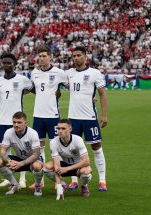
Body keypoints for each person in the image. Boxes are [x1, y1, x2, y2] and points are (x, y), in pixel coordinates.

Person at [65, 46, 108, 192]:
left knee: (96, 147)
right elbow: (58, 84)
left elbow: (102, 94)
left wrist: (104, 115)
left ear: (85, 57)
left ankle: (102, 180)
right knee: (72, 149)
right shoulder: (68, 73)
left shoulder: (94, 73)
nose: (76, 58)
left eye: (78, 55)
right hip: (73, 118)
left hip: (89, 118)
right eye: (74, 56)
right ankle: (74, 180)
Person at [0, 53, 33, 189]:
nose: (6, 65)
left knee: (22, 150)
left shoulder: (23, 79)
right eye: (4, 63)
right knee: (5, 152)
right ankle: (10, 179)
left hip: (18, 121)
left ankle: (23, 179)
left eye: (9, 63)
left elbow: (31, 90)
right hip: (3, 121)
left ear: (14, 64)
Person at [28, 45, 68, 189]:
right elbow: (35, 89)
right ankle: (41, 179)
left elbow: (70, 86)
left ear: (51, 57)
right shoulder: (35, 73)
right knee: (38, 148)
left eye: (45, 56)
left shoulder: (59, 72)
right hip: (37, 115)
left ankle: (59, 178)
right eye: (40, 56)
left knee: (55, 148)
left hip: (52, 116)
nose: (42, 58)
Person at [0, 112, 44, 196]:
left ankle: (37, 185)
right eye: (14, 122)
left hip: (32, 159)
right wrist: (9, 161)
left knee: (37, 166)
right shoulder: (8, 132)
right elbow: (2, 152)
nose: (16, 125)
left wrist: (21, 163)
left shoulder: (33, 133)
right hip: (18, 158)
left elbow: (36, 154)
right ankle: (14, 184)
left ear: (25, 123)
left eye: (19, 122)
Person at [43, 119, 92, 199]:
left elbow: (86, 161)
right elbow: (56, 165)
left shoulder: (78, 140)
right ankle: (63, 185)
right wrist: (59, 186)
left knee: (86, 172)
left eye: (63, 128)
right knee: (46, 168)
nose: (60, 131)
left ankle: (84, 186)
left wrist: (67, 169)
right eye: (58, 128)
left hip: (77, 165)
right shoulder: (53, 142)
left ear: (70, 129)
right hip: (64, 163)